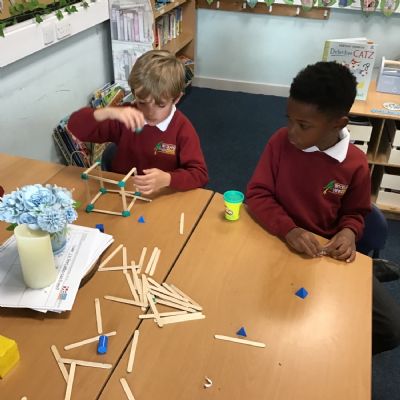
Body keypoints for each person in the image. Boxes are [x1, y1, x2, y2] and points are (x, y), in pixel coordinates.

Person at [246, 61, 400, 354]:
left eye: (303, 125)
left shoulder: (354, 164)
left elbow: (356, 212)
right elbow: (257, 194)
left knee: (391, 328)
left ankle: (343, 354)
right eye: (289, 119)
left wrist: (349, 232)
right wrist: (289, 230)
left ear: (338, 124)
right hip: (276, 240)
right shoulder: (279, 143)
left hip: (324, 254)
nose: (291, 131)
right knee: (260, 310)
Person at [67, 50, 208, 195]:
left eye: (161, 105)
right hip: (124, 192)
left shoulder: (182, 129)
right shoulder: (125, 116)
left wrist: (168, 179)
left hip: (161, 196)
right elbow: (74, 127)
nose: (150, 112)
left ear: (176, 99)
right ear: (134, 94)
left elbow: (200, 174)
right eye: (142, 102)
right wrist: (107, 112)